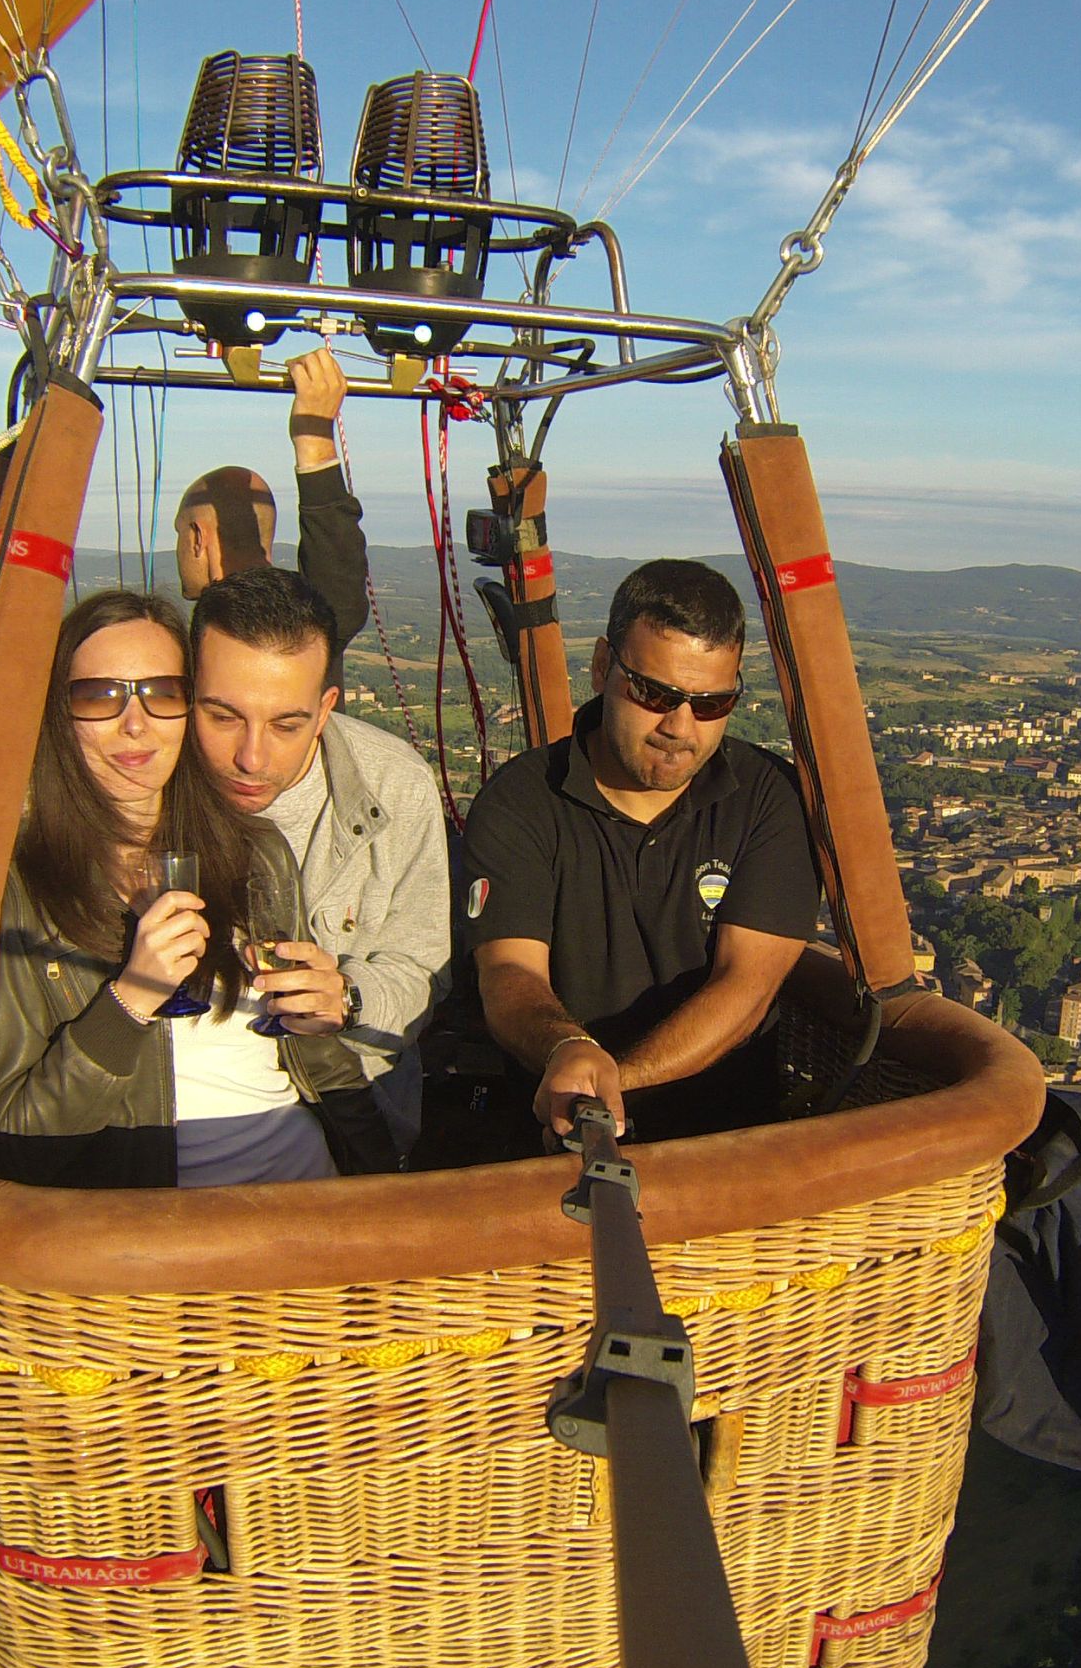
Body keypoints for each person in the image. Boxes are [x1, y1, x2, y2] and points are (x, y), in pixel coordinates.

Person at [0, 588, 339, 1189]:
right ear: (58, 715)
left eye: (163, 693)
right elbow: (16, 1147)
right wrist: (131, 999)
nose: (135, 723)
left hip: (309, 1201)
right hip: (162, 1241)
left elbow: (306, 1063)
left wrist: (324, 1013)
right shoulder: (20, 893)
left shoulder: (257, 853)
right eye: (100, 697)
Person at [458, 560, 821, 1147]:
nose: (680, 727)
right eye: (654, 692)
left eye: (710, 704)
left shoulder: (766, 799)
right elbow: (508, 972)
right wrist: (565, 1049)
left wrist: (608, 1083)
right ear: (603, 667)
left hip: (724, 1143)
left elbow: (746, 987)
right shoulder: (522, 802)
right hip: (554, 1139)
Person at [184, 566, 451, 1168]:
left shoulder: (396, 785)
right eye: (222, 717)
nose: (251, 757)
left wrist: (348, 998)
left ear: (326, 708)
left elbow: (422, 970)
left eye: (286, 724)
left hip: (354, 1120)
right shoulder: (150, 781)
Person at [174, 347, 370, 647]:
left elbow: (337, 599)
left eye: (179, 533)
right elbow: (338, 590)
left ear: (198, 538)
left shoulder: (294, 630)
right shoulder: (309, 632)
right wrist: (313, 438)